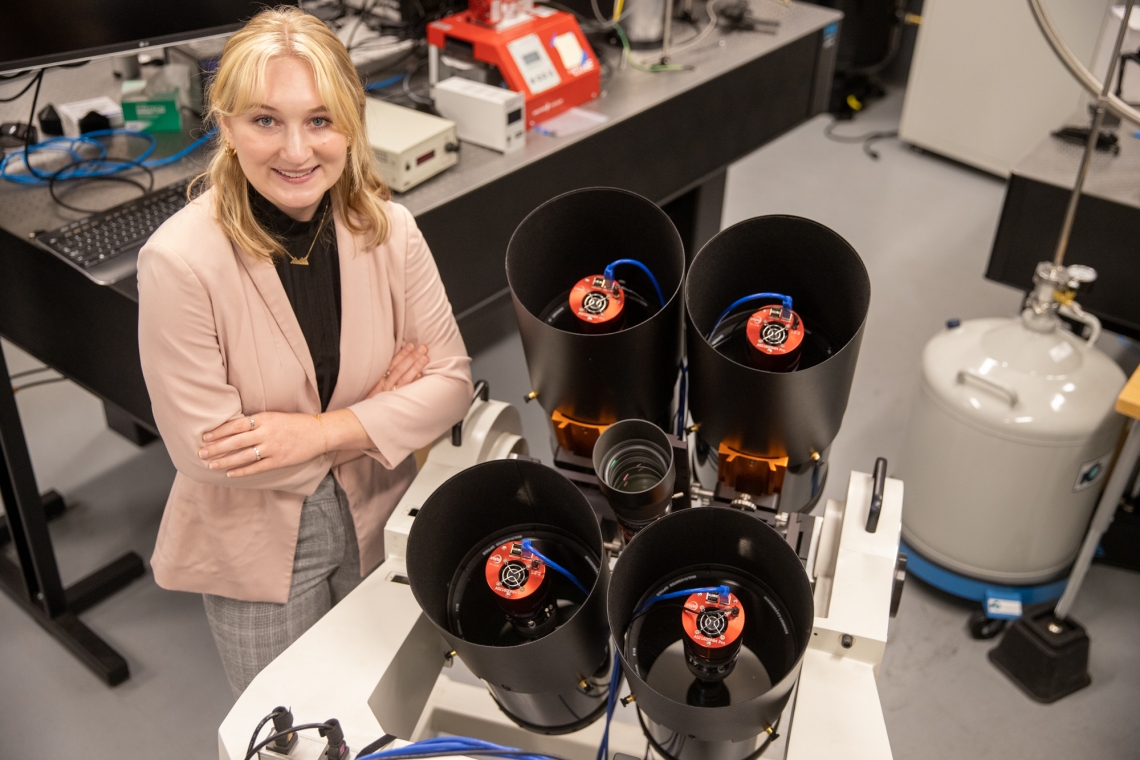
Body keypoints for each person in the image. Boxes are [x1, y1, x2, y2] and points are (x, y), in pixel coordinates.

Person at [137, 6, 473, 695]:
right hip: (254, 543)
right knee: (291, 722)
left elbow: (451, 386)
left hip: (381, 509)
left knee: (389, 700)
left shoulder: (391, 230)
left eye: (320, 120)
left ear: (351, 125)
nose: (296, 150)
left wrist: (315, 431)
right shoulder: (178, 261)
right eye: (265, 120)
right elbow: (210, 453)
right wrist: (379, 411)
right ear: (226, 125)